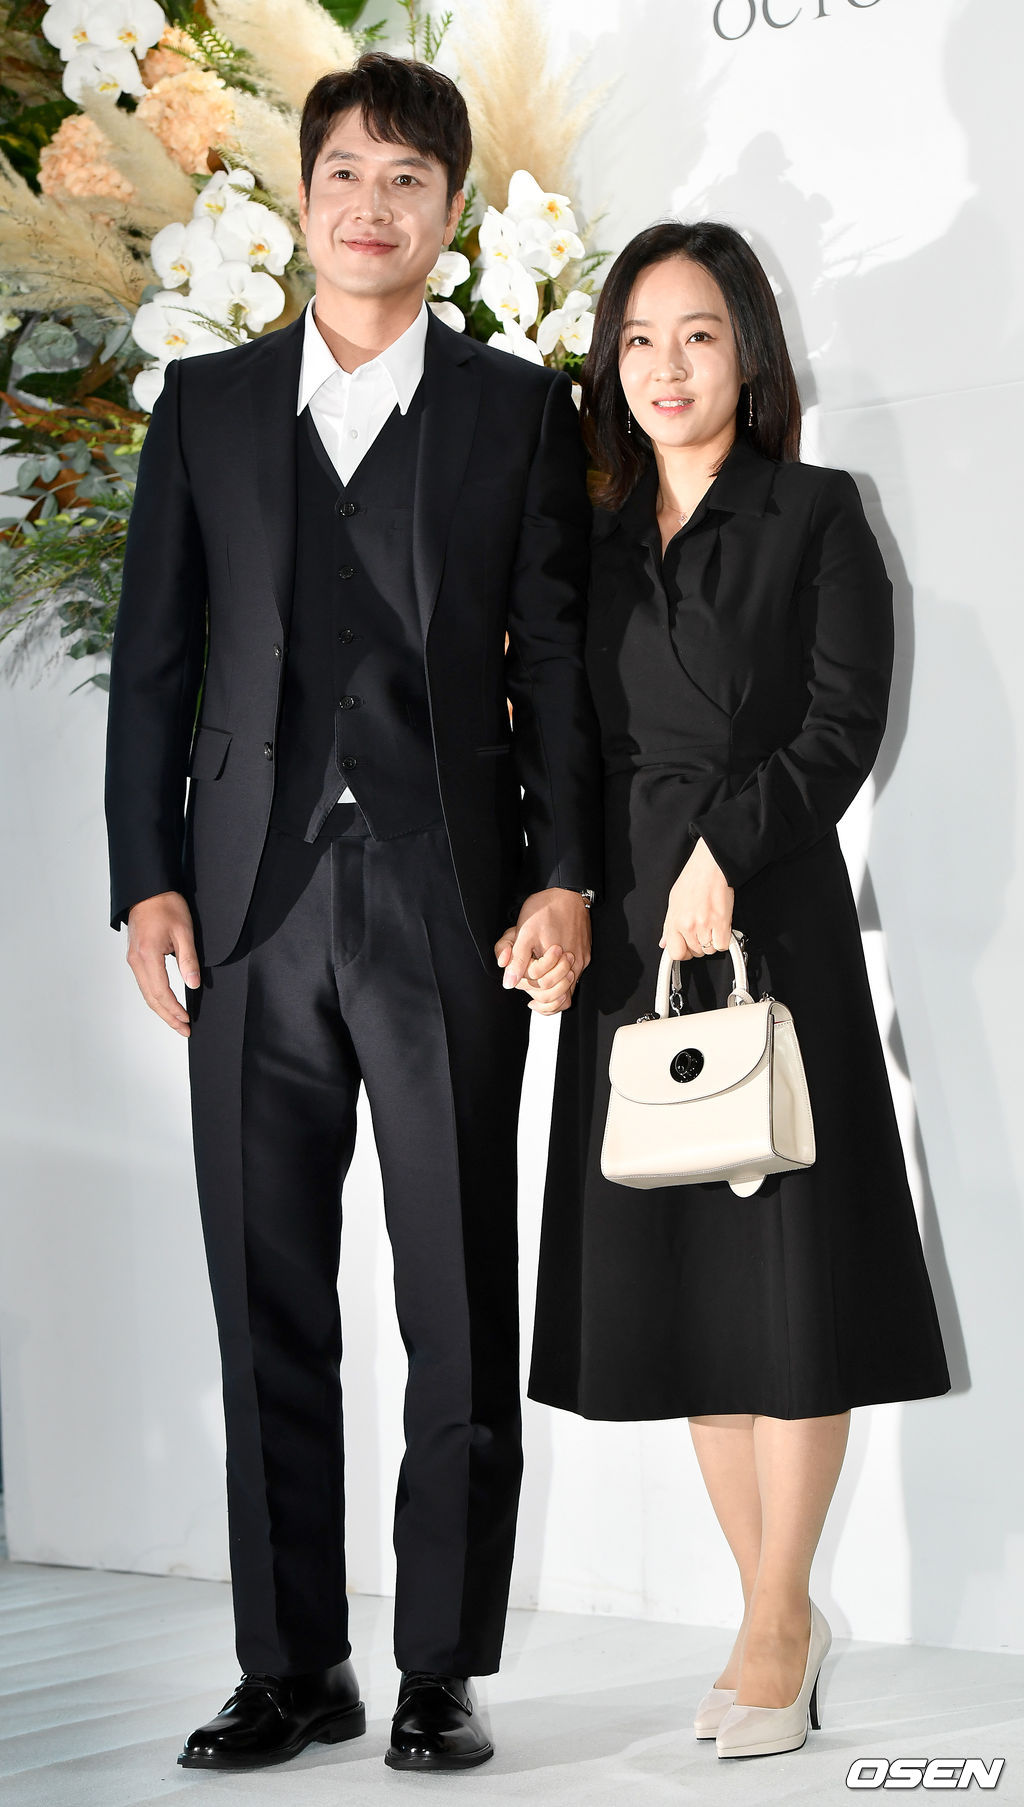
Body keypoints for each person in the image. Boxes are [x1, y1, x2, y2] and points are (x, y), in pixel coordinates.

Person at [104, 52, 600, 1775]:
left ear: (449, 215)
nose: (371, 205)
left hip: (449, 895)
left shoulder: (517, 410)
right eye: (345, 175)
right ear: (300, 197)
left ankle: (440, 1668)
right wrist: (145, 877)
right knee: (264, 1300)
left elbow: (561, 666)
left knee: (456, 1293)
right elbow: (155, 661)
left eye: (408, 180)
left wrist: (564, 873)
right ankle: (290, 1666)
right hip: (248, 905)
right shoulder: (208, 405)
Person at [518, 222, 951, 1761]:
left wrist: (729, 849)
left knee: (790, 1285)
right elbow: (561, 748)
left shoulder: (817, 512)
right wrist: (563, 895)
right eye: (638, 339)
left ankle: (777, 1620)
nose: (667, 366)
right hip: (638, 940)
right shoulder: (583, 542)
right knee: (691, 1291)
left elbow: (843, 723)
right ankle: (769, 1610)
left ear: (749, 353)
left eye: (698, 334)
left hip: (773, 926)